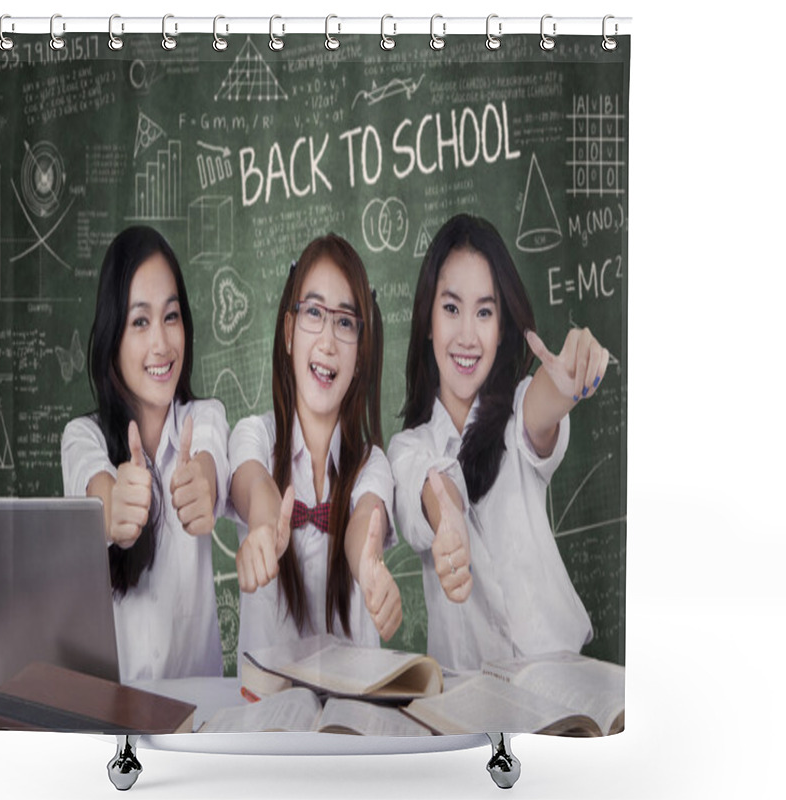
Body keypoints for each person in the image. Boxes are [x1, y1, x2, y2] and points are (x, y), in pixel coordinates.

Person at [388, 214, 608, 671]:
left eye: (484, 312)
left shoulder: (520, 409)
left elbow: (543, 408)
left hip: (558, 681)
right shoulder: (407, 448)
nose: (467, 336)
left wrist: (567, 382)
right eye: (451, 309)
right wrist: (448, 518)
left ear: (502, 326)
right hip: (466, 702)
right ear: (427, 321)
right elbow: (429, 483)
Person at [61, 226, 229, 683]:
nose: (161, 342)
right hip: (116, 730)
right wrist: (114, 508)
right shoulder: (82, 436)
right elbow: (95, 491)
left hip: (198, 727)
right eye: (140, 321)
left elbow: (209, 465)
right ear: (113, 338)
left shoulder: (206, 418)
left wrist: (203, 487)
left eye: (171, 317)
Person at [229, 234, 402, 663]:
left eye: (345, 322)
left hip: (352, 718)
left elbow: (365, 522)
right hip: (269, 719)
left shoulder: (370, 463)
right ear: (289, 332)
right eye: (313, 313)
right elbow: (254, 486)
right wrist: (266, 529)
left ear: (360, 354)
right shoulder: (253, 437)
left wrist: (370, 569)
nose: (327, 341)